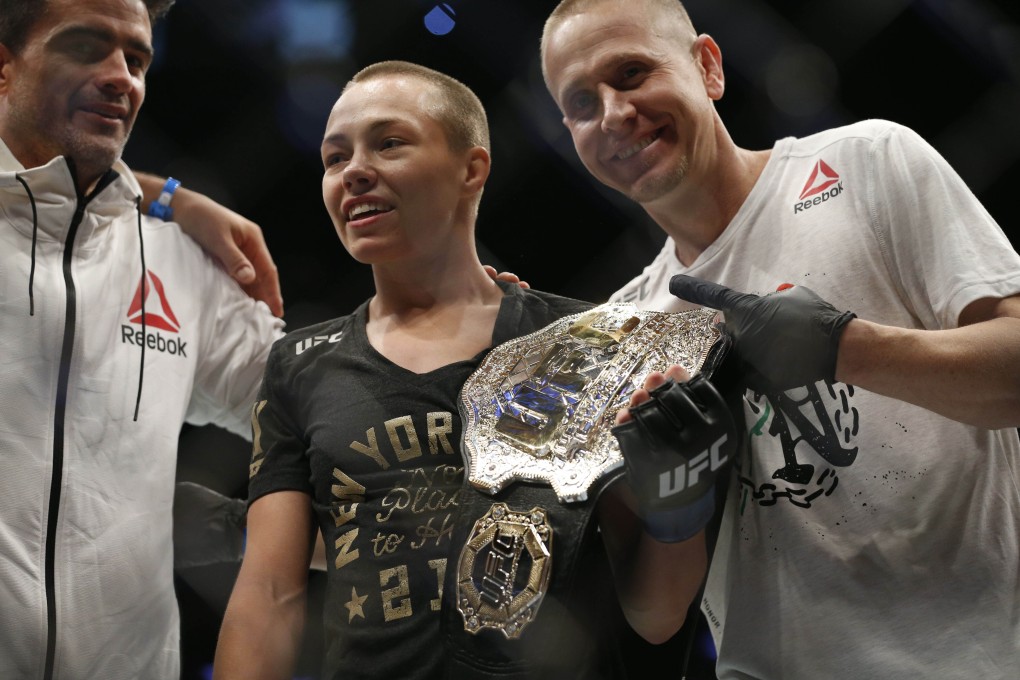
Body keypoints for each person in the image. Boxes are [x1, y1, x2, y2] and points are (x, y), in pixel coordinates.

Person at [539, 0, 1020, 678]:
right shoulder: (623, 335)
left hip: (977, 655)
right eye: (583, 102)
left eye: (633, 73)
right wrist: (674, 506)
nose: (615, 113)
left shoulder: (870, 165)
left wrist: (846, 347)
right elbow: (655, 617)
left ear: (708, 66)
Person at [211, 60, 721, 680]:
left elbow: (654, 614)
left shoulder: (584, 345)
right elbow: (268, 596)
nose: (355, 173)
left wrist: (680, 506)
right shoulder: (301, 365)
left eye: (389, 143)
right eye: (334, 158)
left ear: (471, 168)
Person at [0, 1, 285, 678]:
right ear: (4, 67)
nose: (120, 77)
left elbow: (322, 408)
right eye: (85, 48)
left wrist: (444, 313)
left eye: (135, 59)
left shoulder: (182, 264)